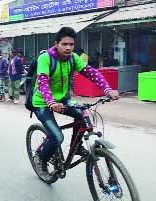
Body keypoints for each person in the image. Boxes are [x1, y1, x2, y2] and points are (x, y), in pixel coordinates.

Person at [32, 27, 120, 178]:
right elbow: (43, 82)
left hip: (62, 99)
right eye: (64, 44)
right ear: (56, 44)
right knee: (57, 137)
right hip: (42, 102)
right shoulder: (45, 58)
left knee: (81, 114)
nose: (68, 48)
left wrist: (107, 89)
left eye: (71, 44)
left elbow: (91, 73)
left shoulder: (73, 58)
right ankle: (40, 159)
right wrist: (51, 102)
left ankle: (77, 147)